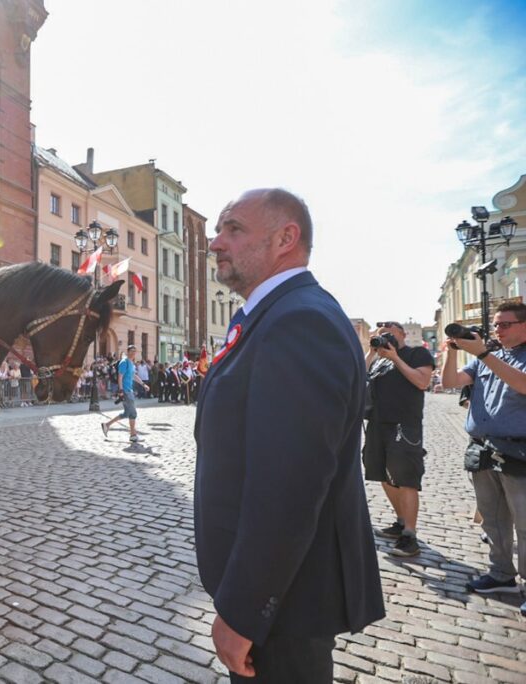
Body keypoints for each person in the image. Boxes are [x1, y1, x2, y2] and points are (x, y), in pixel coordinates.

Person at [194, 188, 384, 682]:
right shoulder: (279, 313)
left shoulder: (298, 320)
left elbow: (288, 489)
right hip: (282, 596)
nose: (216, 242)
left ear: (286, 238)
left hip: (286, 606)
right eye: (218, 229)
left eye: (233, 228)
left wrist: (244, 610)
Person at [441, 301, 526, 616]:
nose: (498, 330)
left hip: (520, 451)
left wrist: (483, 354)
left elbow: (523, 384)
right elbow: (449, 383)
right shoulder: (491, 356)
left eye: (505, 324)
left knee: (525, 523)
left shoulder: (495, 357)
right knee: (494, 519)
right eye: (497, 325)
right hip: (484, 449)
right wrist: (452, 351)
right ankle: (501, 574)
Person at [364, 320, 434, 557]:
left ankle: (410, 535)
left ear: (403, 334)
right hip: (376, 425)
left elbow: (422, 381)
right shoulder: (378, 360)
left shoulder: (417, 353)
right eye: (381, 335)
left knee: (406, 479)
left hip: (404, 425)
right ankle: (401, 522)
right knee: (383, 475)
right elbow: (358, 376)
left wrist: (395, 357)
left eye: (390, 334)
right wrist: (372, 351)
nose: (385, 338)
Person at [101, 345, 148, 442]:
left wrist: (143, 384)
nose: (133, 353)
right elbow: (120, 377)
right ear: (127, 351)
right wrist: (121, 391)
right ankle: (133, 435)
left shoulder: (131, 363)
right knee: (133, 413)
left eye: (135, 351)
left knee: (126, 413)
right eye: (131, 351)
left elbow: (133, 376)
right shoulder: (124, 362)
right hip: (126, 391)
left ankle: (107, 425)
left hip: (129, 390)